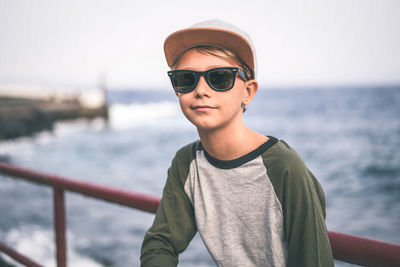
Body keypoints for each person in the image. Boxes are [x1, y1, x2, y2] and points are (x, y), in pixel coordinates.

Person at [140, 19, 334, 267]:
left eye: (219, 78)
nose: (201, 90)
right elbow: (161, 243)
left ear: (248, 92)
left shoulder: (284, 167)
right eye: (186, 79)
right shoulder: (186, 163)